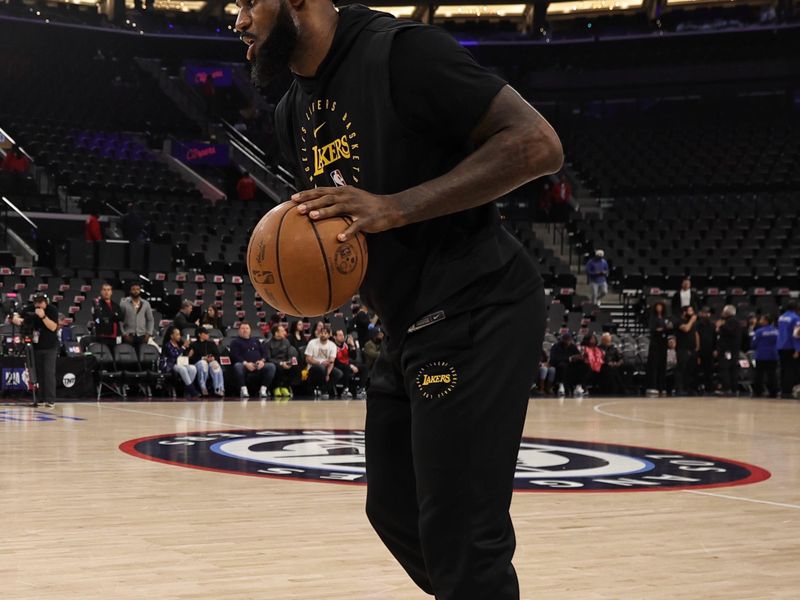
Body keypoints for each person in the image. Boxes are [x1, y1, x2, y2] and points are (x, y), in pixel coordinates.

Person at [235, 2, 561, 597]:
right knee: (393, 510)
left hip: (478, 303)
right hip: (405, 323)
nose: (238, 21)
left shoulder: (403, 54)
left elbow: (539, 145)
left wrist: (396, 206)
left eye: (247, 2)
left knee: (462, 534)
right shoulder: (291, 114)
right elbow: (333, 233)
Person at [11, 295, 59, 408]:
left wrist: (43, 317)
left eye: (41, 302)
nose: (38, 305)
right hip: (35, 346)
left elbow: (53, 327)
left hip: (50, 346)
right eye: (36, 302)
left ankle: (50, 399)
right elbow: (19, 318)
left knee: (48, 373)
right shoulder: (29, 309)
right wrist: (16, 318)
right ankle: (41, 397)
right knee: (38, 373)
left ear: (46, 302)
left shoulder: (52, 310)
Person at [229, 322, 275, 398]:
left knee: (271, 366)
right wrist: (246, 363)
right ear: (239, 330)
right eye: (243, 328)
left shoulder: (256, 341)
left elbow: (265, 353)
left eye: (247, 328)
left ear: (250, 330)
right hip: (244, 365)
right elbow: (235, 356)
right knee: (237, 366)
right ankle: (243, 390)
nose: (245, 330)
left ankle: (263, 389)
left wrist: (262, 361)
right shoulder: (235, 342)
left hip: (258, 365)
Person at [160, 326, 199, 399]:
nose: (179, 336)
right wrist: (183, 347)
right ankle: (192, 390)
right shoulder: (168, 344)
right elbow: (174, 355)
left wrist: (189, 350)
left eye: (180, 334)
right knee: (182, 369)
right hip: (170, 364)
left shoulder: (180, 343)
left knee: (193, 368)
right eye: (177, 334)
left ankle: (187, 390)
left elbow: (184, 354)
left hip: (181, 363)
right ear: (172, 336)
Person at [304, 327, 341, 399]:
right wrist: (320, 362)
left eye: (325, 333)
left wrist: (327, 374)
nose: (323, 335)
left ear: (329, 335)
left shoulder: (332, 345)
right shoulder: (312, 342)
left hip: (326, 367)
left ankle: (322, 390)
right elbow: (308, 359)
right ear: (319, 333)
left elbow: (331, 361)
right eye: (321, 333)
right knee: (321, 368)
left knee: (339, 373)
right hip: (313, 367)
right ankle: (316, 389)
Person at [188, 326, 225, 397]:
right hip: (199, 362)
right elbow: (191, 358)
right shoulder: (193, 345)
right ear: (199, 334)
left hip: (210, 362)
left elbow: (217, 355)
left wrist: (213, 358)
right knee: (203, 363)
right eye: (205, 333)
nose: (208, 335)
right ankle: (203, 387)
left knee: (215, 364)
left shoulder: (211, 343)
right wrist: (203, 358)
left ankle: (219, 388)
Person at [716, 305, 743, 396]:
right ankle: (733, 389)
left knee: (726, 368)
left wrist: (721, 326)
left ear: (728, 313)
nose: (722, 313)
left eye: (723, 312)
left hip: (728, 350)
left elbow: (730, 332)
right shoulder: (734, 321)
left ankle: (727, 389)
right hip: (732, 350)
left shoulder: (732, 321)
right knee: (732, 369)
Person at [646, 301, 671, 397]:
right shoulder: (653, 318)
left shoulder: (666, 318)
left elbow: (668, 328)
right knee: (654, 365)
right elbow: (653, 329)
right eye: (658, 306)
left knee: (662, 365)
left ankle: (662, 387)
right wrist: (660, 330)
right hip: (655, 343)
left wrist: (664, 329)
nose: (659, 308)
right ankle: (653, 386)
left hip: (663, 343)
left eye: (661, 307)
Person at [266, 324, 298, 397]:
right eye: (282, 331)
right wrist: (281, 363)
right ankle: (276, 388)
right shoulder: (268, 343)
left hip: (286, 362)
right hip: (276, 362)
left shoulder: (286, 341)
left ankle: (285, 387)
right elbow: (268, 358)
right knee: (278, 367)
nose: (285, 332)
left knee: (295, 366)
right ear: (276, 333)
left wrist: (290, 362)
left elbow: (290, 353)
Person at [751, 315, 779, 398]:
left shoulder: (759, 331)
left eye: (762, 320)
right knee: (772, 374)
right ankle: (773, 392)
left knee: (759, 374)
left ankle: (758, 392)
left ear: (766, 321)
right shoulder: (777, 331)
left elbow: (753, 344)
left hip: (761, 356)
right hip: (773, 355)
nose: (760, 321)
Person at [120, 282, 154, 348]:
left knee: (141, 357)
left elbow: (150, 320)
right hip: (128, 335)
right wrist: (124, 334)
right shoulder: (124, 303)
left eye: (138, 289)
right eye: (133, 289)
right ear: (130, 290)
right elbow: (120, 320)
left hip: (142, 336)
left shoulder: (146, 303)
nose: (136, 291)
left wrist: (148, 333)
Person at [674, 306, 699, 395]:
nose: (692, 313)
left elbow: (696, 334)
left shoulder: (694, 324)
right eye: (690, 311)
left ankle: (690, 389)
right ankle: (680, 389)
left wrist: (697, 347)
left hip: (692, 349)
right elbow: (686, 329)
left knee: (691, 370)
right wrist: (691, 320)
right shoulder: (678, 321)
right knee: (681, 369)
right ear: (684, 312)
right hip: (682, 349)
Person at [549, 332, 583, 397]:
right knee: (563, 366)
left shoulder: (573, 347)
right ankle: (561, 385)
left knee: (582, 365)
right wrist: (569, 359)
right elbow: (554, 359)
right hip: (559, 364)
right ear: (562, 340)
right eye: (566, 340)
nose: (568, 342)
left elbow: (578, 355)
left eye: (569, 340)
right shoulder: (556, 347)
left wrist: (579, 358)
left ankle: (578, 386)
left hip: (571, 365)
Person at [777, 301, 799, 397]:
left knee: (783, 369)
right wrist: (797, 349)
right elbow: (796, 335)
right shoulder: (796, 318)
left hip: (781, 346)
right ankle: (788, 391)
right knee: (791, 370)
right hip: (790, 346)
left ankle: (783, 390)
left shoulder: (781, 317)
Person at [92, 282, 123, 350]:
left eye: (108, 290)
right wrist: (114, 316)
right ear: (101, 292)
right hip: (102, 336)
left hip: (115, 335)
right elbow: (98, 319)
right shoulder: (97, 304)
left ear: (111, 292)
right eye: (104, 290)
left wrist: (108, 317)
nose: (106, 292)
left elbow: (120, 317)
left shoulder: (116, 305)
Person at [333, 329, 362, 398]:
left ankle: (361, 389)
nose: (342, 337)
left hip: (347, 364)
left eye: (343, 335)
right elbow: (336, 361)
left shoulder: (346, 345)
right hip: (337, 365)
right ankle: (345, 390)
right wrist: (350, 366)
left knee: (364, 367)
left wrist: (352, 346)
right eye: (340, 335)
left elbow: (353, 357)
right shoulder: (332, 346)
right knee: (346, 367)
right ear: (334, 337)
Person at [695, 306, 717, 394]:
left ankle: (710, 388)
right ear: (701, 314)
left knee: (709, 371)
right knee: (697, 371)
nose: (706, 314)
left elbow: (715, 338)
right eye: (704, 312)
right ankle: (697, 388)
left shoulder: (712, 325)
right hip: (699, 351)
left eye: (707, 313)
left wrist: (715, 349)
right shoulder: (697, 325)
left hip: (709, 351)